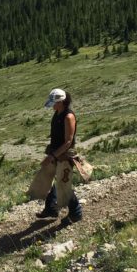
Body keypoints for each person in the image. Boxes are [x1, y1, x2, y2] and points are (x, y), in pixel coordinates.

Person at [36, 87, 83, 226]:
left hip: (64, 155)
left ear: (61, 102)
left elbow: (68, 142)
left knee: (63, 184)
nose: (52, 106)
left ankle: (76, 212)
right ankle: (51, 208)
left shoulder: (68, 116)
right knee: (49, 179)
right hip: (55, 152)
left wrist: (52, 156)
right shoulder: (57, 113)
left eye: (54, 103)